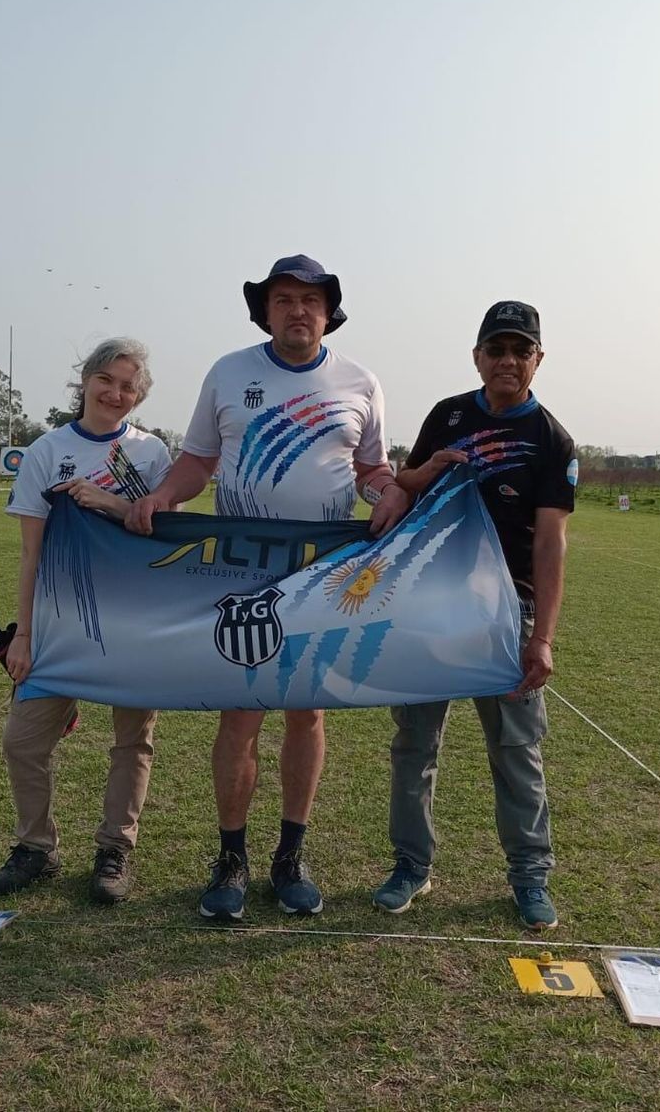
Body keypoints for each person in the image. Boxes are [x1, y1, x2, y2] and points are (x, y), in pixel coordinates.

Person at [125, 254, 409, 920]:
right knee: (241, 712)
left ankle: (290, 855)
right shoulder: (229, 372)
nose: (298, 310)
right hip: (240, 567)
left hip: (322, 571)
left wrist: (387, 488)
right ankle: (231, 857)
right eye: (284, 299)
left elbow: (370, 466)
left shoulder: (361, 381)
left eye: (310, 300)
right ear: (266, 310)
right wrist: (166, 492)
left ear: (328, 310)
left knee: (306, 712)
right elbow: (198, 461)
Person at [372, 301, 577, 930]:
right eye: (497, 350)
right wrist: (421, 471)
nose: (508, 362)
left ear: (538, 359)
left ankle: (529, 876)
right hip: (431, 607)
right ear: (478, 357)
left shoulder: (552, 439)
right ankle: (412, 865)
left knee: (516, 749)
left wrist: (540, 636)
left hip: (504, 614)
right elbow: (406, 484)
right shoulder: (449, 415)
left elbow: (549, 542)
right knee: (414, 745)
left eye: (521, 351)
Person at [0, 338, 174, 904]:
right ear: (86, 380)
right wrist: (24, 633)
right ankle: (35, 848)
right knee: (23, 741)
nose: (116, 394)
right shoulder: (46, 450)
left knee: (133, 741)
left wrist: (110, 503)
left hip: (134, 620)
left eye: (129, 387)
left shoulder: (152, 454)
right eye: (107, 380)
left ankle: (116, 849)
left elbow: (167, 537)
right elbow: (30, 556)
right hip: (61, 622)